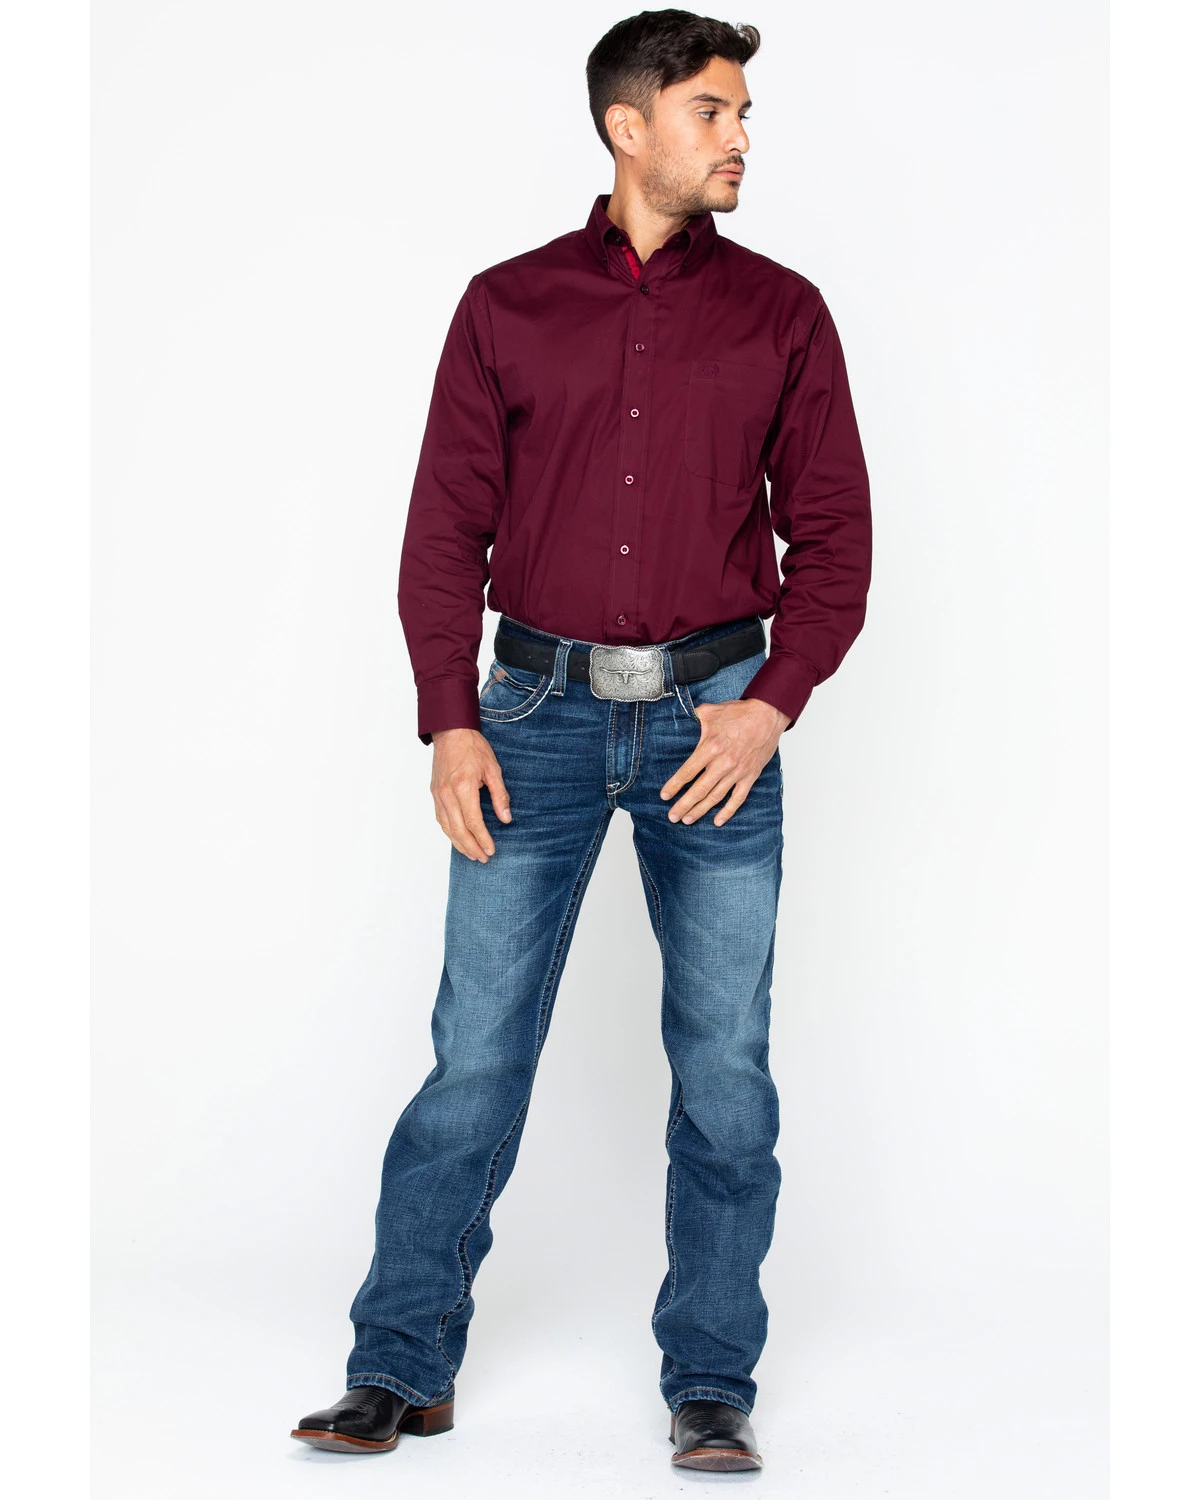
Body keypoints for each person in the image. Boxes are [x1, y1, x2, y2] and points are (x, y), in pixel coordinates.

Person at [291, 7, 871, 1474]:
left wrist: (772, 701)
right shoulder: (506, 305)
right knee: (474, 1059)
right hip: (531, 722)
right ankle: (398, 1366)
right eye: (714, 111)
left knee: (725, 1071)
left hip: (712, 727)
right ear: (629, 123)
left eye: (745, 114)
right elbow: (444, 530)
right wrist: (449, 717)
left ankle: (713, 1382)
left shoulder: (786, 314)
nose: (741, 138)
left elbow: (838, 538)